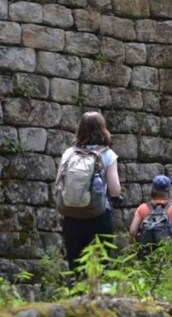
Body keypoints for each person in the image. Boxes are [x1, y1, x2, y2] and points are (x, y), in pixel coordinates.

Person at [55, 111, 122, 272]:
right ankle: (99, 295)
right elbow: (114, 189)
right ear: (103, 129)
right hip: (98, 216)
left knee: (75, 265)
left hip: (71, 216)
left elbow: (58, 182)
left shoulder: (69, 154)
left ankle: (77, 295)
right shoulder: (107, 154)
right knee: (101, 265)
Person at [128, 175, 172, 250]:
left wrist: (134, 250)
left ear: (152, 189)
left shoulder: (142, 208)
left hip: (147, 252)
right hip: (167, 252)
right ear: (169, 190)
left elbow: (132, 231)